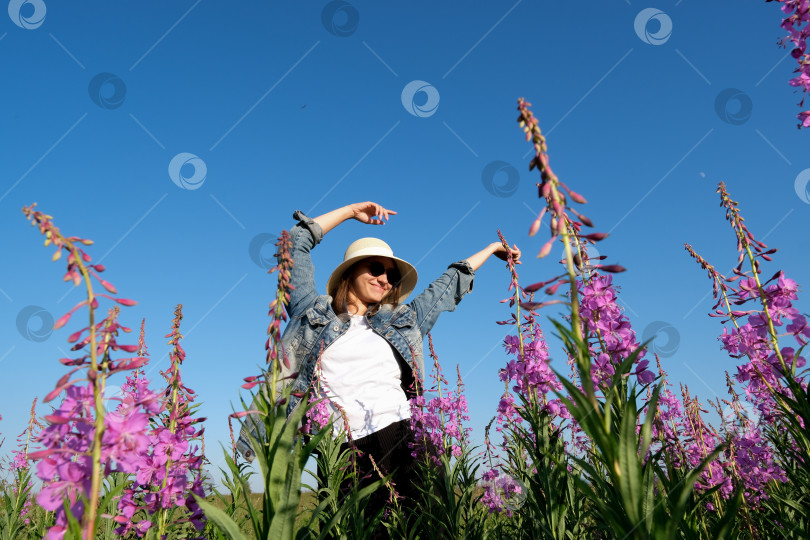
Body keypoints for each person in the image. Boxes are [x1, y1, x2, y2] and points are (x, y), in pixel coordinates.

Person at [236, 201, 520, 520]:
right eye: (375, 268)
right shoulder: (312, 312)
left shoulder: (404, 320)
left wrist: (495, 246)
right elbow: (292, 246)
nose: (385, 278)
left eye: (392, 275)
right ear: (350, 271)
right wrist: (349, 212)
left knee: (430, 526)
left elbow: (448, 284)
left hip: (404, 435)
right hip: (340, 448)